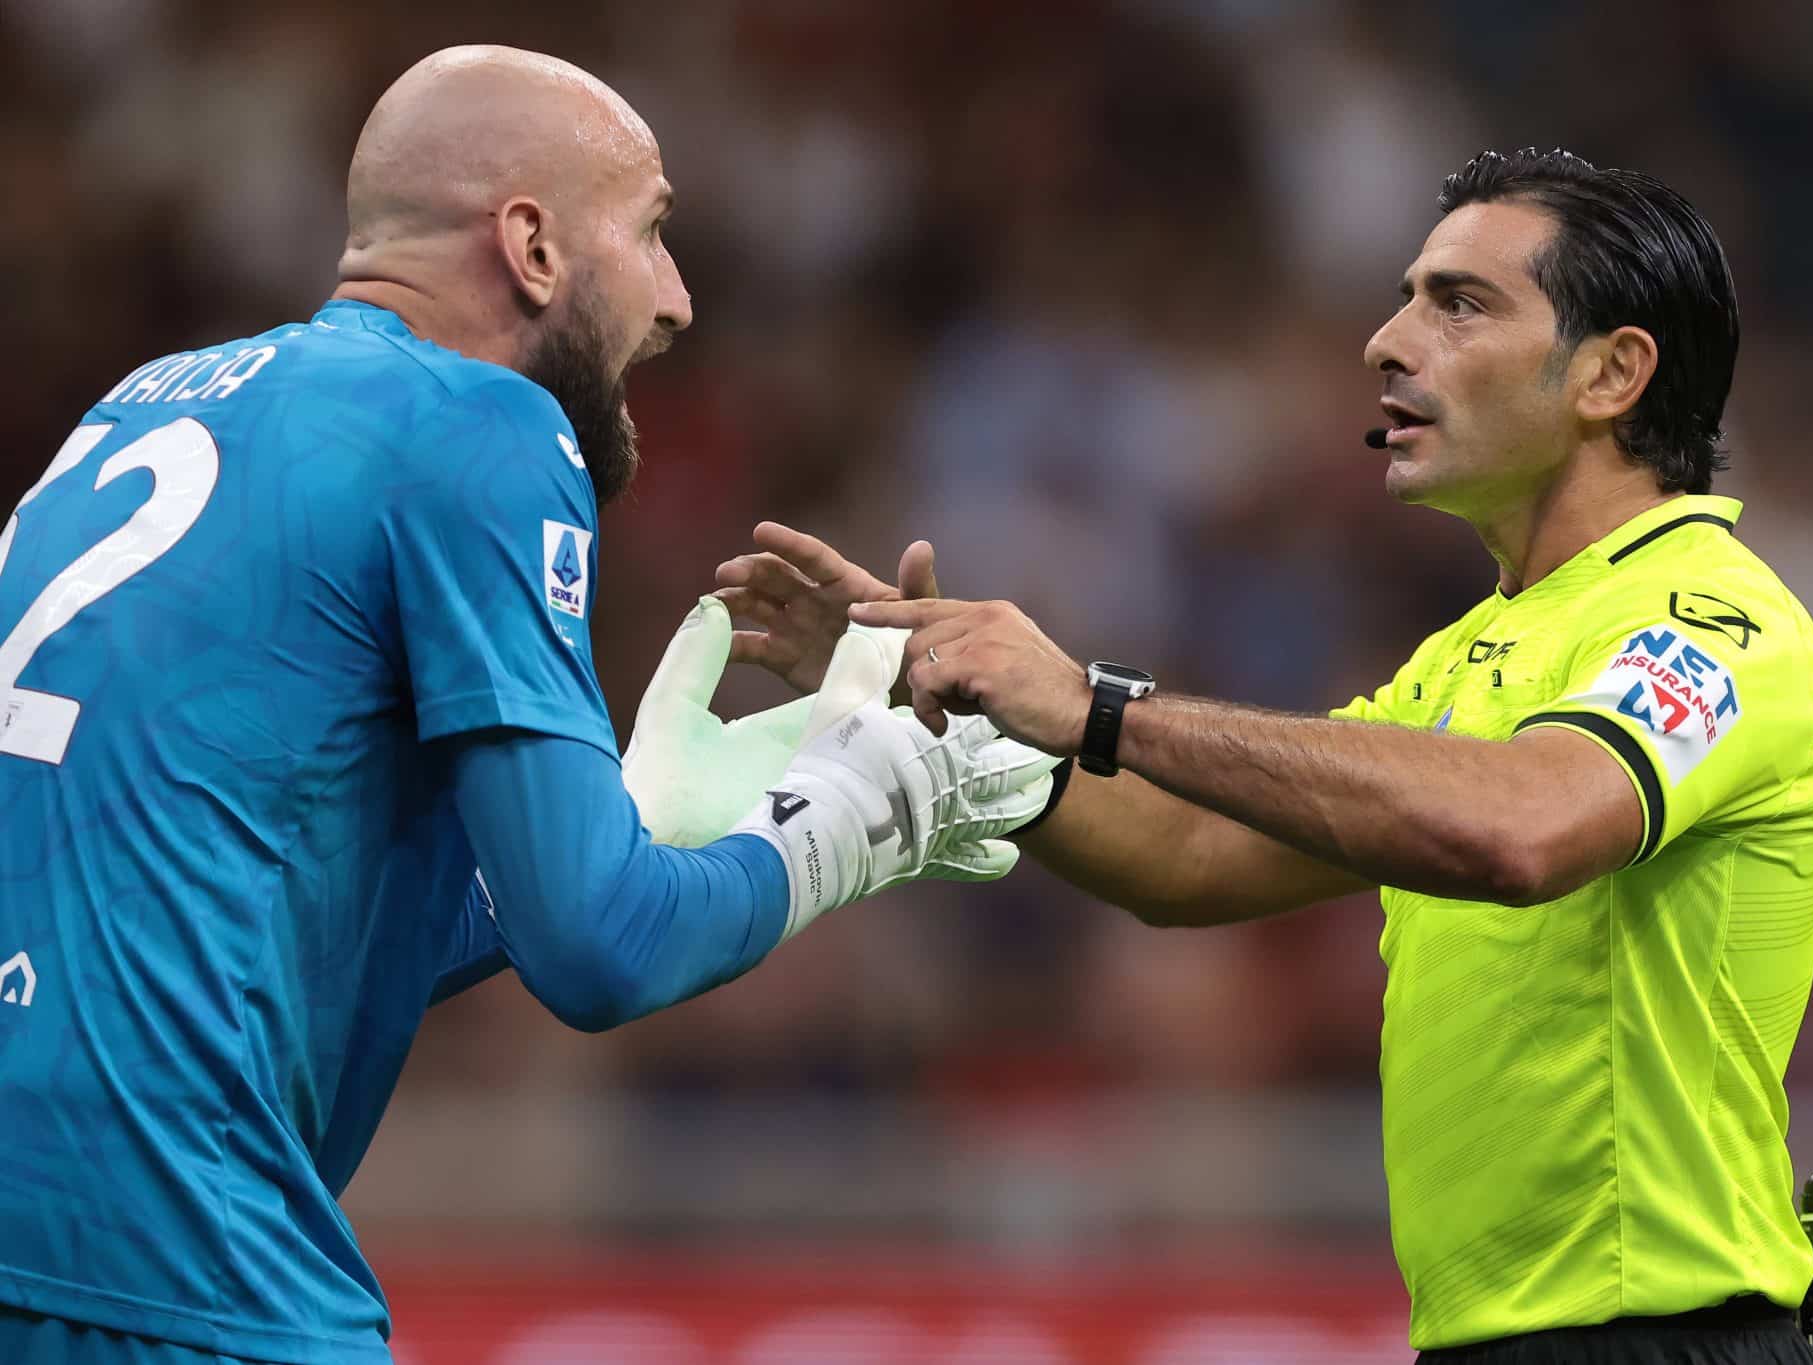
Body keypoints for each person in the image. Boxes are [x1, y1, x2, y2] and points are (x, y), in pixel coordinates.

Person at [716, 149, 1813, 1364]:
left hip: (1661, 1337)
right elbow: (1192, 856)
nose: (1385, 339)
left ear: (1610, 374)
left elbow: (1522, 828)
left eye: (1458, 304)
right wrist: (951, 707)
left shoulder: (1715, 621)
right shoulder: (1474, 654)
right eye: (1406, 295)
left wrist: (1095, 703)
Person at [0, 46, 1050, 1365]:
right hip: (178, 1264)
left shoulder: (130, 411)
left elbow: (226, 910)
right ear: (534, 246)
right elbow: (603, 954)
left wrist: (636, 822)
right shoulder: (481, 426)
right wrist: (854, 818)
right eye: (656, 230)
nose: (676, 299)